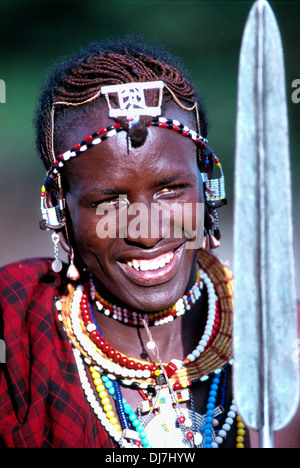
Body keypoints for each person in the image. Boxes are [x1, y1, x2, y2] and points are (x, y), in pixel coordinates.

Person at [0, 34, 276, 449]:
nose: (146, 232)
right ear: (59, 210)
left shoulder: (279, 342)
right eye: (107, 200)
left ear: (208, 186)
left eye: (170, 190)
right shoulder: (16, 334)